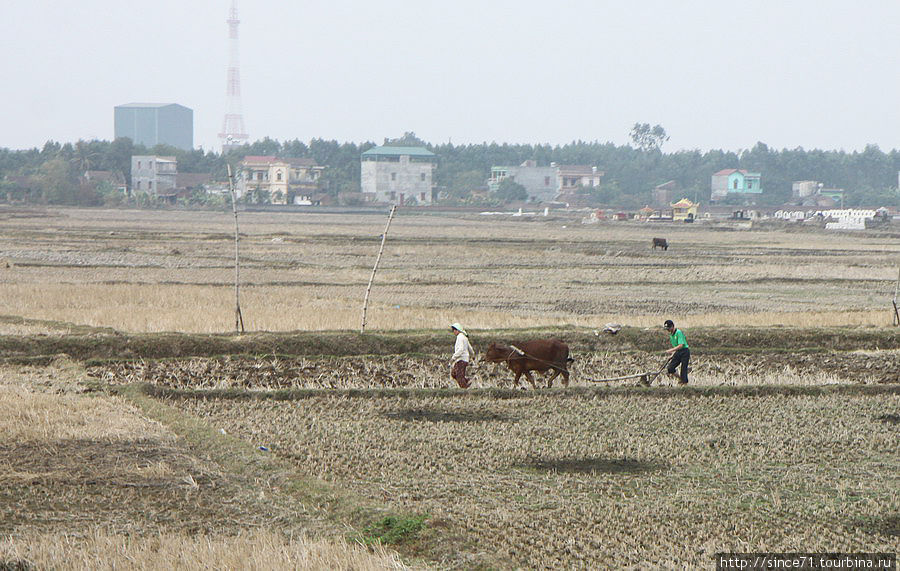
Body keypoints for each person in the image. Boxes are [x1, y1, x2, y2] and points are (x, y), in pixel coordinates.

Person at [663, 319, 690, 385]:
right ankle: (681, 379)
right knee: (670, 368)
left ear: (672, 326)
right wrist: (672, 354)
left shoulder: (678, 332)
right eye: (667, 329)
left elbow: (681, 345)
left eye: (669, 328)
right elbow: (676, 346)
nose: (668, 330)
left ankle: (684, 383)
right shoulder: (671, 335)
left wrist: (670, 350)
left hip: (684, 352)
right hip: (678, 352)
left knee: (683, 368)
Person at [449, 323, 474, 388]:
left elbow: (460, 350)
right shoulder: (464, 337)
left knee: (459, 376)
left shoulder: (460, 337)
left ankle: (464, 389)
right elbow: (470, 348)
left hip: (461, 359)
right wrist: (472, 355)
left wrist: (453, 358)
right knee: (454, 373)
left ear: (458, 330)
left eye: (454, 330)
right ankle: (467, 381)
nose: (453, 332)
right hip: (464, 359)